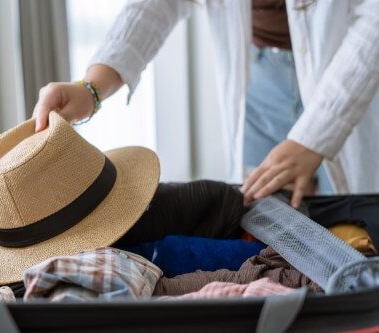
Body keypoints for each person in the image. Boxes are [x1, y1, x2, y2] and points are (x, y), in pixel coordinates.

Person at [32, 0, 379, 208]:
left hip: (348, 77)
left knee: (355, 226)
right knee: (267, 228)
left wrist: (315, 136)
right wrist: (92, 88)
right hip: (256, 81)